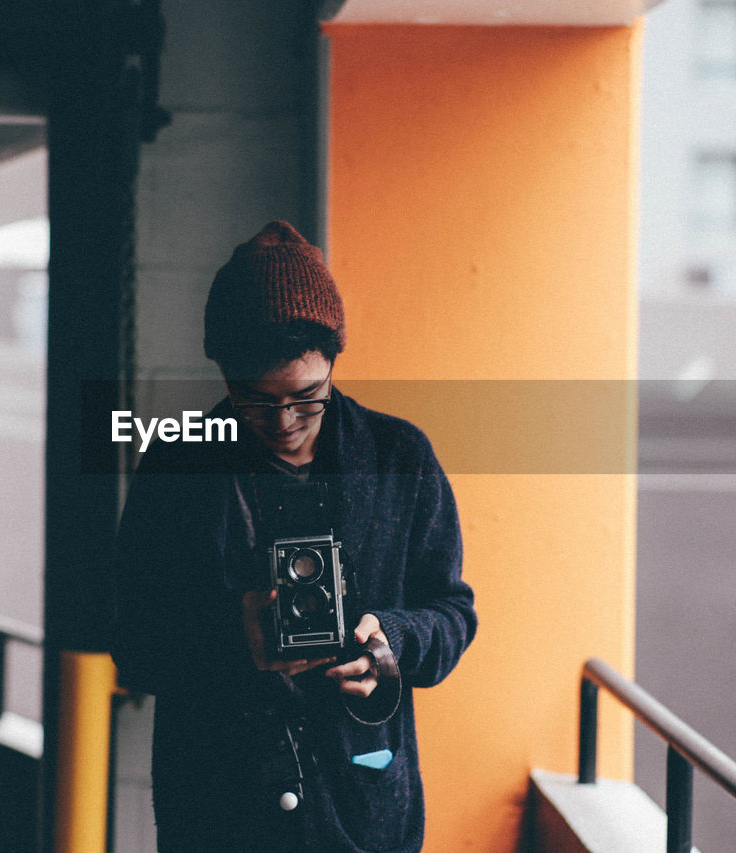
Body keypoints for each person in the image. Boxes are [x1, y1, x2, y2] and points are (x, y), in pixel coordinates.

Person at [111, 221, 476, 852]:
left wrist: (390, 644)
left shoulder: (399, 456)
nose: (282, 421)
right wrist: (232, 633)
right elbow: (128, 639)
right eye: (255, 400)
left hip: (362, 812)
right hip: (218, 815)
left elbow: (452, 613)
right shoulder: (177, 464)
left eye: (307, 398)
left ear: (334, 362)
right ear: (222, 373)